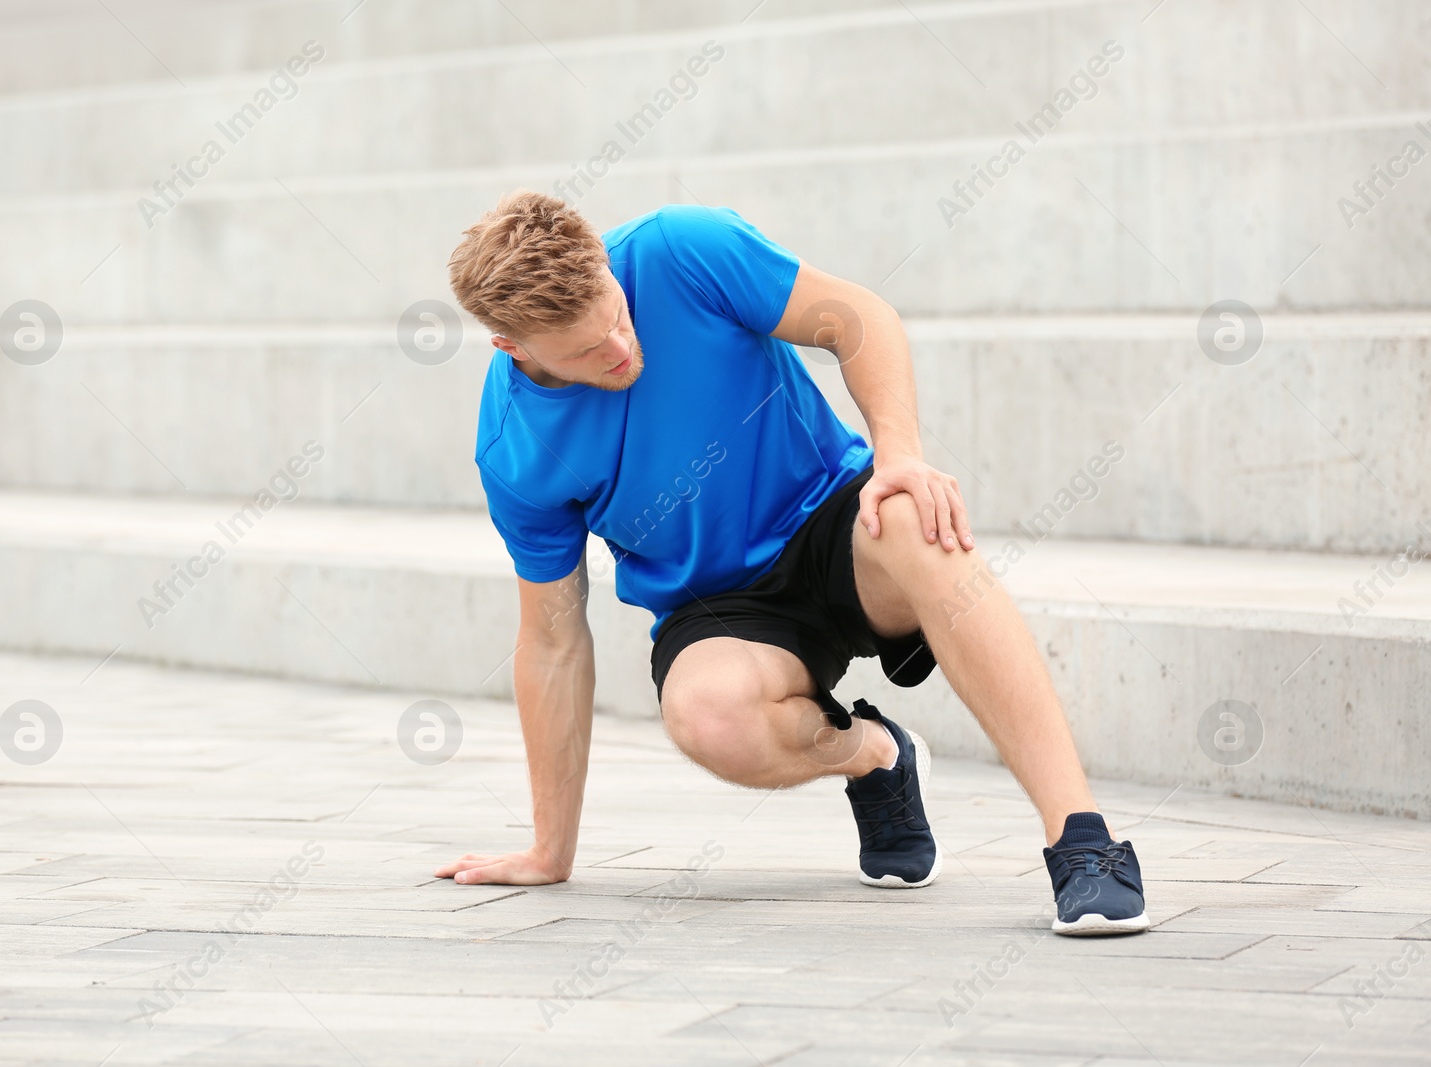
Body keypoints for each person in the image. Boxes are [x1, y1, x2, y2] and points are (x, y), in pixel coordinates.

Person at [433, 191, 1148, 935]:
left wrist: (900, 456)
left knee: (913, 513)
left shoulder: (682, 250)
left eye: (616, 313)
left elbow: (857, 318)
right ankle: (876, 757)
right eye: (584, 350)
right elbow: (551, 639)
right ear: (511, 347)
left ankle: (1083, 843)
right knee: (706, 715)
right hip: (722, 609)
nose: (619, 348)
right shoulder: (515, 448)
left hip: (834, 518)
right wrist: (552, 848)